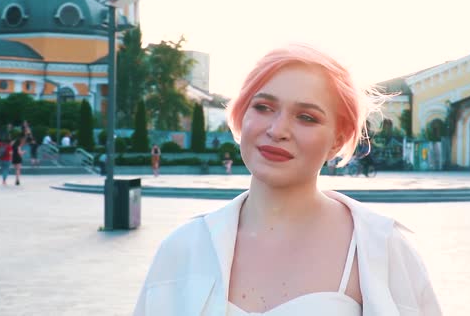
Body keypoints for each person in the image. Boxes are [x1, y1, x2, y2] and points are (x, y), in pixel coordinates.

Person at [133, 43, 441, 316]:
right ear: (241, 115)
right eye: (264, 107)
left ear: (338, 139)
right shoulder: (183, 248)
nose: (278, 129)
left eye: (306, 117)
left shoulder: (382, 250)